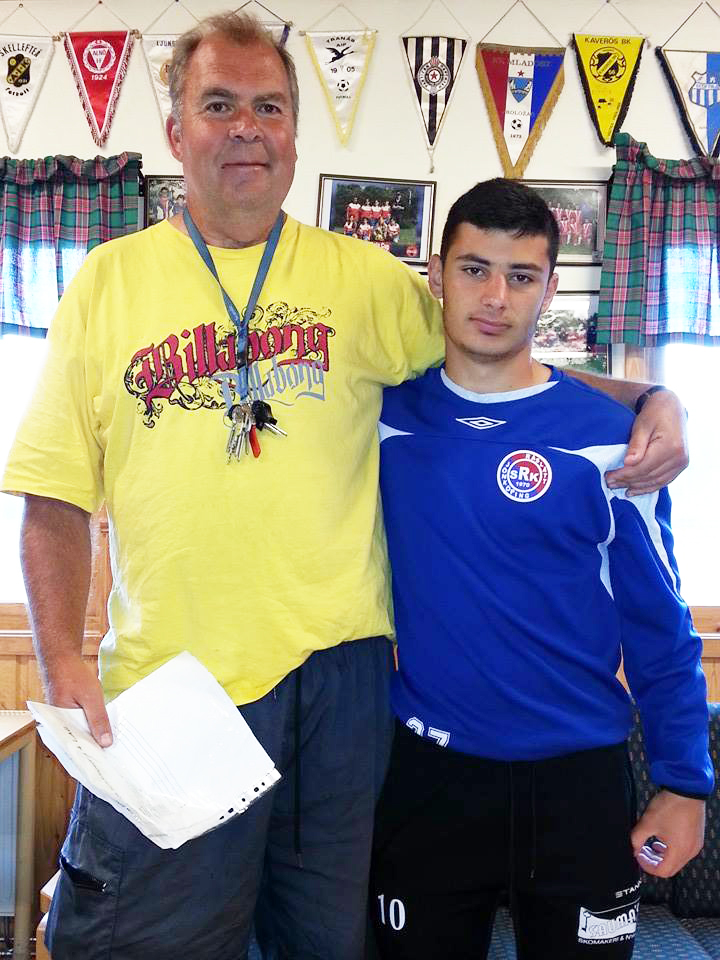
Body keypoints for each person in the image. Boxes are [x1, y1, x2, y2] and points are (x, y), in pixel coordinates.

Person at [0, 13, 690, 960]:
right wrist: (59, 660)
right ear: (175, 131)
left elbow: (501, 359)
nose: (246, 127)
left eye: (269, 107)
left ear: (294, 133)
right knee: (139, 942)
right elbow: (52, 495)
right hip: (174, 685)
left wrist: (651, 398)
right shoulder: (104, 285)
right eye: (218, 104)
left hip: (343, 686)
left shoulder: (363, 281)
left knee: (327, 942)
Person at [370, 179, 713, 960]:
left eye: (521, 276)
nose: (495, 297)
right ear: (436, 275)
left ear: (550, 289)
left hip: (579, 785)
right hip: (429, 777)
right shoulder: (382, 418)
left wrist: (685, 783)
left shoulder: (612, 439)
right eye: (474, 269)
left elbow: (659, 625)